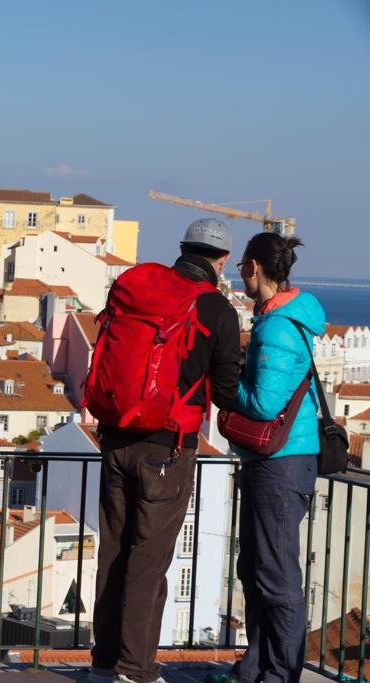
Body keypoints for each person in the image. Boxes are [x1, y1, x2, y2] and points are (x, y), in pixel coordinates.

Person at [89, 219, 242, 683]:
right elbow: (226, 392)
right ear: (221, 262)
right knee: (149, 558)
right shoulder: (215, 308)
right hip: (169, 447)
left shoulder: (137, 287)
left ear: (181, 250)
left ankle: (103, 662)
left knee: (113, 551)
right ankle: (134, 669)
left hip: (115, 436)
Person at [228, 233, 323, 683]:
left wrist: (227, 390)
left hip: (281, 462)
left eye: (242, 268)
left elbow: (265, 404)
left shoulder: (280, 326)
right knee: (257, 568)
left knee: (275, 575)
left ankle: (279, 674)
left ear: (253, 267)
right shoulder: (278, 319)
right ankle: (257, 666)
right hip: (278, 460)